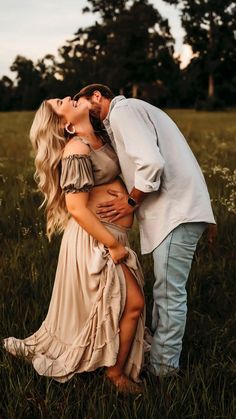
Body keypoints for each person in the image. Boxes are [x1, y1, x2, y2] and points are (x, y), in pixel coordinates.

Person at [3, 96, 145, 394]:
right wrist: (112, 246)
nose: (68, 97)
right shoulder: (76, 150)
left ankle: (109, 363)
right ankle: (116, 375)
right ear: (66, 124)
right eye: (60, 101)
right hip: (95, 240)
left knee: (112, 305)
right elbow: (77, 208)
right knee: (133, 303)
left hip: (112, 235)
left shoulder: (98, 137)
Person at [74, 84, 216, 376]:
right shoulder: (127, 115)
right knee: (165, 290)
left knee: (168, 293)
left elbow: (151, 163)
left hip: (176, 212)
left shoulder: (124, 111)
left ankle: (163, 370)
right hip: (177, 211)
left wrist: (130, 201)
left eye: (82, 104)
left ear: (97, 97)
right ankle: (158, 357)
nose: (82, 112)